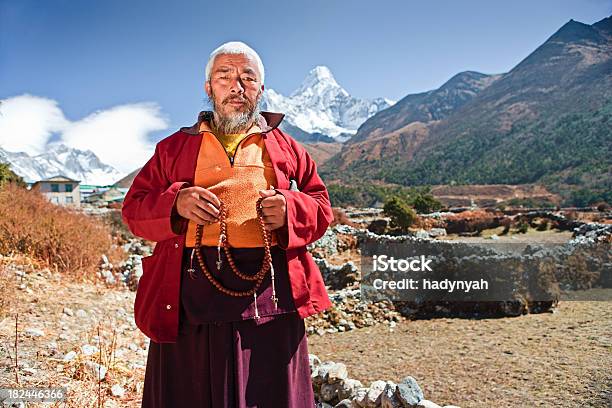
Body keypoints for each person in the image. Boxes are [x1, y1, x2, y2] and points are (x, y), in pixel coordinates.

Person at [121, 40, 334, 407]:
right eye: (225, 76)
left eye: (248, 78)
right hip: (190, 290)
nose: (237, 86)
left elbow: (321, 205)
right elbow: (134, 210)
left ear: (261, 91)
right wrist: (177, 203)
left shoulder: (286, 146)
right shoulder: (172, 149)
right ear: (208, 88)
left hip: (269, 292)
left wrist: (290, 208)